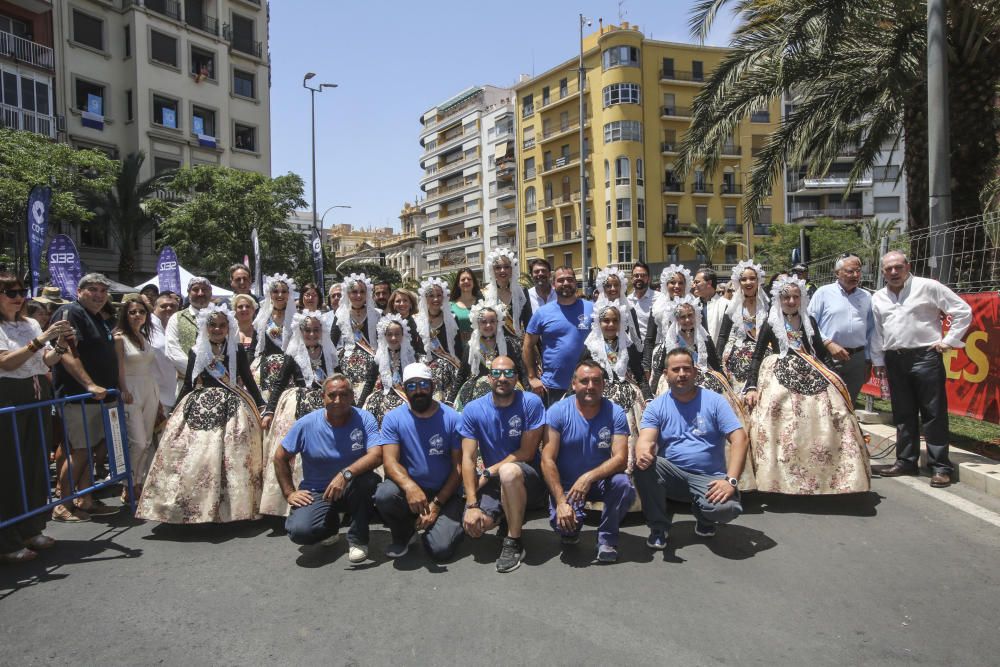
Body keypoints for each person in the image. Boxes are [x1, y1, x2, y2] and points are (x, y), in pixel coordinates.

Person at [138, 304, 266, 524]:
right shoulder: (197, 350)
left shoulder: (236, 350)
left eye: (222, 325)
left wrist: (263, 406)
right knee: (196, 456)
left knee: (231, 457)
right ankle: (190, 507)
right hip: (199, 405)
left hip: (232, 407)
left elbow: (248, 380)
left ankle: (231, 509)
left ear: (228, 327)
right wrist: (175, 412)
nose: (217, 329)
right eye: (213, 325)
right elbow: (188, 383)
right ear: (206, 327)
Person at [743, 276, 870, 495]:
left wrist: (834, 377)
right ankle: (778, 474)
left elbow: (821, 353)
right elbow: (756, 356)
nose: (791, 301)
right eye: (786, 297)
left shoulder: (809, 320)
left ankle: (828, 473)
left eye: (795, 297)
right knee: (773, 411)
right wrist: (752, 386)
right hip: (778, 371)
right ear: (778, 299)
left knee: (832, 413)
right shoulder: (771, 322)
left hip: (811, 371)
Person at [870, 250, 972, 487]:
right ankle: (906, 461)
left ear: (908, 266)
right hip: (894, 359)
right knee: (903, 414)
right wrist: (878, 362)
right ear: (883, 272)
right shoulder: (878, 298)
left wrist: (948, 341)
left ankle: (940, 467)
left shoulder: (929, 287)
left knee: (933, 414)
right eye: (888, 269)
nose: (894, 272)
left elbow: (962, 311)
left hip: (926, 357)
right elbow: (877, 331)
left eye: (898, 267)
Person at [633, 348, 747, 547]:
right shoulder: (656, 406)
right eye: (675, 369)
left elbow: (740, 439)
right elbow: (646, 440)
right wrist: (643, 453)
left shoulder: (715, 401)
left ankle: (705, 519)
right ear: (666, 374)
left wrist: (731, 480)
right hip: (672, 476)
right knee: (644, 466)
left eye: (686, 369)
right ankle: (658, 528)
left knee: (726, 509)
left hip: (709, 477)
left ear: (695, 372)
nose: (682, 374)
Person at [0, 272, 72, 562]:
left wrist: (61, 345)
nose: (18, 298)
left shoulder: (29, 323)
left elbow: (45, 361)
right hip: (9, 396)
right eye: (10, 292)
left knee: (34, 464)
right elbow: (6, 362)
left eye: (21, 292)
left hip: (37, 394)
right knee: (9, 469)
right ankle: (7, 538)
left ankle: (31, 527)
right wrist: (42, 338)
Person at [275, 374, 382, 563]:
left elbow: (377, 455)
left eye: (344, 395)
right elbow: (280, 457)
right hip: (318, 491)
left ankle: (358, 540)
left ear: (352, 397)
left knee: (368, 481)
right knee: (300, 532)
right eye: (332, 395)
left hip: (353, 486)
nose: (338, 401)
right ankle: (331, 525)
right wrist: (289, 492)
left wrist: (345, 474)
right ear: (323, 397)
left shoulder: (365, 419)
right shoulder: (306, 424)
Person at [459, 356, 548, 573]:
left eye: (508, 373)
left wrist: (488, 472)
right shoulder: (473, 410)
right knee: (478, 526)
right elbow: (468, 459)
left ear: (516, 377)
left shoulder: (530, 402)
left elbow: (526, 453)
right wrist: (471, 505)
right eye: (496, 373)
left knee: (509, 471)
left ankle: (514, 542)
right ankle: (507, 517)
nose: (502, 378)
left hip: (528, 477)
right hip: (495, 481)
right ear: (488, 378)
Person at [541, 361, 634, 563]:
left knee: (623, 484)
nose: (590, 386)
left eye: (596, 381)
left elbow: (620, 459)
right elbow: (547, 459)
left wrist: (588, 477)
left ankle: (607, 540)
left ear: (603, 385)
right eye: (584, 381)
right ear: (574, 384)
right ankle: (571, 528)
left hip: (598, 481)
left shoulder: (615, 412)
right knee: (565, 527)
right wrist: (560, 502)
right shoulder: (557, 412)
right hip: (567, 486)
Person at [374, 362, 465, 561]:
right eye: (412, 386)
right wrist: (409, 487)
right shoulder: (393, 419)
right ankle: (404, 534)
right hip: (412, 491)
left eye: (423, 385)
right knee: (384, 494)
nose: (418, 391)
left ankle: (449, 522)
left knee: (440, 550)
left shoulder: (452, 417)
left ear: (432, 386)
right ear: (404, 389)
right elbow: (389, 462)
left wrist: (437, 504)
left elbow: (459, 467)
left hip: (446, 493)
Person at [51, 273, 121, 520]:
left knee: (88, 450)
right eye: (93, 289)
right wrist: (89, 384)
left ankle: (85, 499)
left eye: (103, 290)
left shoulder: (97, 317)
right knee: (79, 451)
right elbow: (66, 353)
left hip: (100, 397)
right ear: (79, 292)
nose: (99, 295)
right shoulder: (70, 312)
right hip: (78, 396)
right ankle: (63, 504)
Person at [258, 310, 338, 517]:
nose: (311, 334)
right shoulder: (293, 354)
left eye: (315, 330)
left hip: (325, 404)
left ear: (322, 331)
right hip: (298, 404)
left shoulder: (329, 354)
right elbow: (279, 384)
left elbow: (340, 381)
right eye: (307, 330)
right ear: (300, 332)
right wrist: (269, 410)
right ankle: (290, 500)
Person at [523, 266, 594, 407]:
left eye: (570, 279)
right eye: (561, 280)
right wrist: (532, 377)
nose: (566, 283)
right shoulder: (542, 313)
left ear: (575, 283)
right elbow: (527, 345)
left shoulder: (592, 308)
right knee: (554, 428)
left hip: (587, 384)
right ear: (554, 285)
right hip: (553, 386)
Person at [808, 254, 874, 402]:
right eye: (850, 271)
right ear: (837, 273)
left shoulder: (866, 297)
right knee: (826, 402)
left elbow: (871, 330)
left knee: (849, 404)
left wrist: (868, 359)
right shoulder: (823, 293)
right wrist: (828, 343)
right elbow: (809, 323)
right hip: (828, 357)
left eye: (858, 271)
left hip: (857, 359)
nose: (855, 275)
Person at [113, 296, 160, 503]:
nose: (137, 315)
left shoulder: (144, 337)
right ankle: (128, 484)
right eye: (133, 312)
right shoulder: (119, 338)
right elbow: (119, 368)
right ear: (125, 314)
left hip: (150, 388)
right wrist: (123, 389)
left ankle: (138, 482)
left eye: (141, 312)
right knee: (138, 442)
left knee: (148, 441)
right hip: (130, 390)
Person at [456, 300, 528, 409]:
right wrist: (450, 399)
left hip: (505, 384)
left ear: (498, 322)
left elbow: (520, 370)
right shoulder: (471, 346)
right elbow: (462, 374)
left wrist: (528, 392)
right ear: (477, 323)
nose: (488, 325)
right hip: (478, 390)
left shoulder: (508, 344)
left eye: (492, 321)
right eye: (484, 322)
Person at [718, 260, 769, 392]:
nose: (748, 282)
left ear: (758, 281)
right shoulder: (732, 307)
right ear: (738, 282)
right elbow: (723, 336)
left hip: (764, 357)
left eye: (752, 278)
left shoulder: (768, 306)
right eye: (744, 279)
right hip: (737, 361)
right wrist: (717, 363)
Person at [414, 277, 463, 406]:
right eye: (431, 296)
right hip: (423, 367)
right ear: (425, 298)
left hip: (448, 368)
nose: (435, 299)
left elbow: (457, 348)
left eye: (439, 295)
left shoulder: (452, 318)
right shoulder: (415, 320)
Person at [331, 274, 379, 402]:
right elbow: (331, 343)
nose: (358, 296)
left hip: (372, 365)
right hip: (347, 364)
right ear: (348, 294)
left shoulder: (376, 314)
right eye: (354, 292)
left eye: (362, 292)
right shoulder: (341, 314)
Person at [361, 314, 416, 424]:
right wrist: (358, 406)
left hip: (405, 397)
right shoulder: (379, 356)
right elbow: (370, 382)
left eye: (397, 334)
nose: (393, 338)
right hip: (384, 396)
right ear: (384, 336)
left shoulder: (411, 356)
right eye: (389, 334)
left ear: (403, 335)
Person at [252, 274, 297, 400]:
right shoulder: (262, 317)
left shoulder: (296, 318)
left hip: (290, 370)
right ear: (270, 294)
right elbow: (253, 346)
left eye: (284, 291)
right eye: (275, 291)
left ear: (289, 294)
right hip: (267, 369)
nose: (280, 295)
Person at [165, 276, 214, 393]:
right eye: (196, 289)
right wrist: (198, 372)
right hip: (187, 384)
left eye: (204, 289)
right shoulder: (177, 318)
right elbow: (172, 351)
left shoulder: (223, 316)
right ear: (188, 292)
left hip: (219, 381)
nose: (200, 293)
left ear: (211, 292)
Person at [642, 264, 692, 374]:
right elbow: (650, 339)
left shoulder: (693, 306)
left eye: (680, 283)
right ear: (666, 284)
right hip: (662, 358)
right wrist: (646, 367)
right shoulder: (657, 307)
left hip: (689, 356)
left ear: (686, 284)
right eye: (672, 282)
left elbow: (704, 336)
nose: (676, 286)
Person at [484, 247, 529, 341]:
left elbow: (528, 321)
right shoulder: (484, 293)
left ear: (512, 269)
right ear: (493, 270)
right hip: (494, 346)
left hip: (518, 347)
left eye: (506, 267)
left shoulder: (522, 292)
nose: (502, 270)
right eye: (498, 267)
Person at [593, 266, 641, 347]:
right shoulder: (596, 310)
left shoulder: (630, 309)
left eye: (616, 285)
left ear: (621, 287)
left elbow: (636, 335)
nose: (613, 288)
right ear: (603, 288)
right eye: (608, 286)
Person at [150, 291, 181, 413]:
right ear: (154, 308)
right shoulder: (145, 326)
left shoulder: (178, 326)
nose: (168, 308)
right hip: (153, 394)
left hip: (176, 391)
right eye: (163, 306)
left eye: (173, 306)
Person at [692, 268, 727, 347]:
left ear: (709, 283)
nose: (693, 285)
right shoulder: (691, 305)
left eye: (697, 282)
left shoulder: (725, 305)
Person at [384, 288, 423, 356]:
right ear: (393, 304)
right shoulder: (386, 323)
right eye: (398, 301)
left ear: (411, 303)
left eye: (405, 300)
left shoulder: (418, 322)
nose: (402, 304)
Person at [450, 268, 482, 343]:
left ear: (474, 283)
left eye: (469, 279)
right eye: (463, 279)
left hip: (479, 349)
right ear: (458, 284)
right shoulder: (450, 306)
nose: (466, 281)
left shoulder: (482, 303)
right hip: (457, 350)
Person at [626, 262, 654, 341]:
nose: (639, 278)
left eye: (643, 275)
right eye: (636, 275)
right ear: (632, 279)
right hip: (633, 349)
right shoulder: (627, 301)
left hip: (653, 348)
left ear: (648, 278)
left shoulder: (659, 299)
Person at [232, 293, 258, 362]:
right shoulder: (229, 332)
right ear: (235, 311)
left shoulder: (260, 331)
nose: (244, 309)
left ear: (253, 309)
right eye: (240, 307)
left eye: (247, 306)